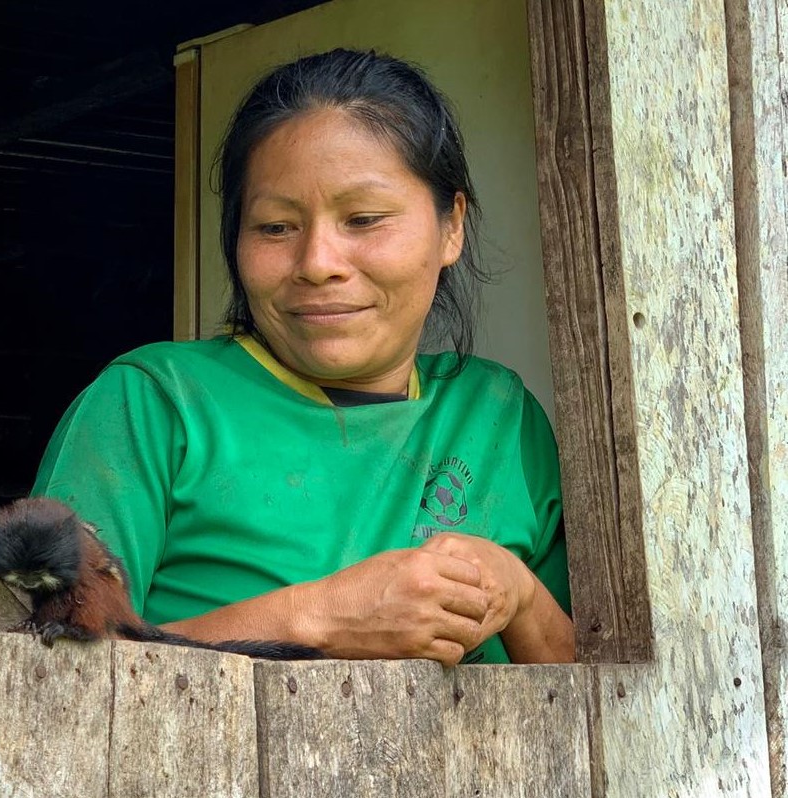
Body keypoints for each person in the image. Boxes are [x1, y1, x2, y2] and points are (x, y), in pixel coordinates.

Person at [32, 49, 573, 665]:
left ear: (451, 226)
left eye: (364, 219)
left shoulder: (501, 418)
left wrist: (521, 595)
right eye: (275, 228)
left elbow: (608, 703)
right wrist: (319, 618)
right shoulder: (152, 406)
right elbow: (58, 675)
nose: (318, 263)